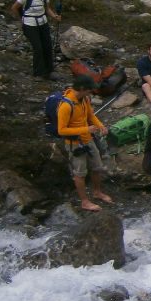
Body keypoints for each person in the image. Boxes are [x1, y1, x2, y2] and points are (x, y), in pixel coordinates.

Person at [58, 74, 113, 212]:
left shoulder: (85, 99)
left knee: (97, 166)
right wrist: (86, 128)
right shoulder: (65, 105)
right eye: (89, 90)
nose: (91, 93)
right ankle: (84, 201)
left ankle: (97, 191)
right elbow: (62, 130)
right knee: (80, 172)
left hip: (88, 139)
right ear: (82, 88)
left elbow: (90, 115)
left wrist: (100, 126)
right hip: (75, 143)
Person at [10, 0, 62, 80]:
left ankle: (49, 71)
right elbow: (14, 8)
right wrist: (21, 20)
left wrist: (55, 17)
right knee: (38, 48)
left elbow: (47, 9)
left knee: (47, 46)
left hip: (43, 23)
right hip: (30, 25)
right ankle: (38, 73)